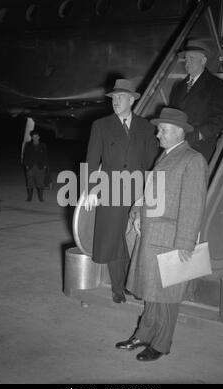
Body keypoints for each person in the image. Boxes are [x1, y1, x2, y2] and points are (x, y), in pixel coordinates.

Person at [116, 108, 208, 361]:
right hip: (153, 236)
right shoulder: (167, 157)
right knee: (151, 293)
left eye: (163, 130)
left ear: (178, 132)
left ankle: (161, 343)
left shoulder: (192, 160)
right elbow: (150, 194)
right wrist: (136, 214)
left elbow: (192, 206)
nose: (158, 134)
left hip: (170, 240)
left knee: (167, 298)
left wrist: (184, 245)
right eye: (159, 129)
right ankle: (144, 334)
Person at [85, 79, 159, 303]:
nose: (115, 102)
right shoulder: (101, 125)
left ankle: (131, 282)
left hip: (137, 190)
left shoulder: (146, 127)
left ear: (131, 100)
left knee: (137, 240)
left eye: (120, 98)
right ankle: (119, 288)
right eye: (113, 98)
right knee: (112, 237)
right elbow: (91, 159)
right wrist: (89, 190)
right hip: (110, 189)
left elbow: (151, 162)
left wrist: (149, 192)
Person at [170, 39, 223, 162]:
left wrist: (199, 134)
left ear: (203, 60)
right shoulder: (179, 86)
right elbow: (172, 113)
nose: (187, 62)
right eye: (186, 59)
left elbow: (222, 117)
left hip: (201, 147)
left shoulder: (216, 84)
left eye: (192, 58)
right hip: (178, 145)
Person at [23, 129, 48, 202]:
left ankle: (41, 198)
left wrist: (45, 165)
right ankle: (29, 198)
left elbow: (45, 156)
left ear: (39, 137)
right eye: (33, 136)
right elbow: (25, 156)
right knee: (30, 182)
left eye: (36, 136)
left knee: (40, 182)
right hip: (30, 167)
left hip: (40, 167)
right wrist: (26, 165)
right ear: (32, 137)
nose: (35, 138)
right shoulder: (28, 145)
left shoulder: (43, 145)